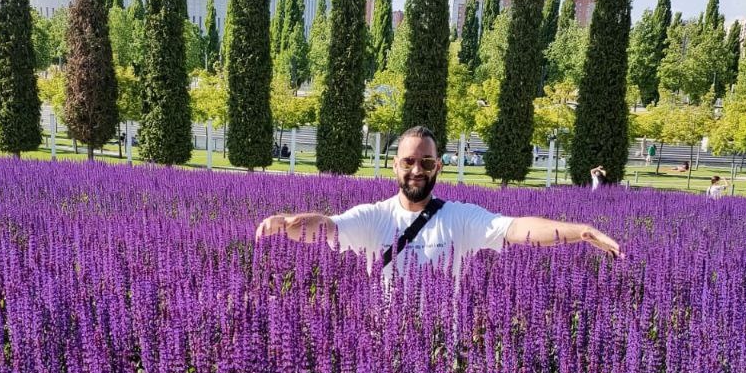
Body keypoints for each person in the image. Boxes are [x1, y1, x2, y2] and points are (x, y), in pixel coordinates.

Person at [256, 125, 621, 274]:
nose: (417, 170)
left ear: (438, 168)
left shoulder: (459, 217)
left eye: (426, 162)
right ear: (395, 166)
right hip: (385, 351)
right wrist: (288, 221)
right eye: (409, 161)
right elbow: (328, 227)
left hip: (442, 352)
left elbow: (516, 228)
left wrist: (582, 231)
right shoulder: (373, 217)